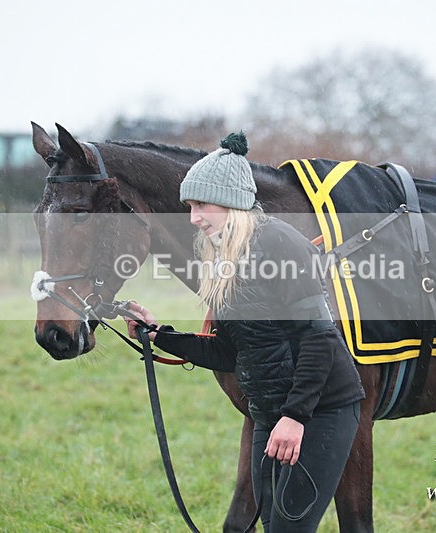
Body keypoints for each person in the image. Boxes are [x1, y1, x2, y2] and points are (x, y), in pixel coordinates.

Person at [126, 132, 365, 532]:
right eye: (190, 207)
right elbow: (231, 352)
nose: (194, 218)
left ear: (232, 202)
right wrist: (159, 335)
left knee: (289, 527)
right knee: (273, 523)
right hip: (269, 412)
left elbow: (320, 337)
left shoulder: (281, 244)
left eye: (201, 204)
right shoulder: (224, 260)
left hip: (322, 409)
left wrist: (294, 417)